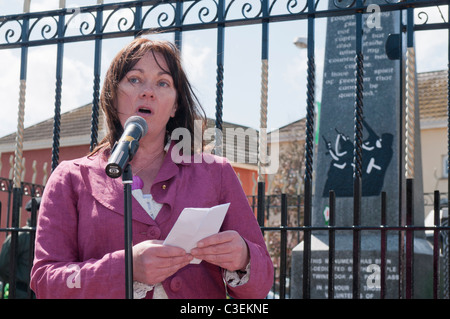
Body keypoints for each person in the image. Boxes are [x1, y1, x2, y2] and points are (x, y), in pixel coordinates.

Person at [30, 37, 274, 299]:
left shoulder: (217, 173)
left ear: (175, 106)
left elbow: (261, 284)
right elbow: (46, 282)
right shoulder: (71, 178)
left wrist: (243, 257)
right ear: (113, 96)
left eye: (163, 83)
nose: (148, 91)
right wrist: (126, 269)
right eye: (135, 79)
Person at [0, 197, 40, 299]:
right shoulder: (21, 236)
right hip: (21, 292)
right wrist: (18, 280)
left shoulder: (47, 236)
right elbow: (3, 265)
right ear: (31, 213)